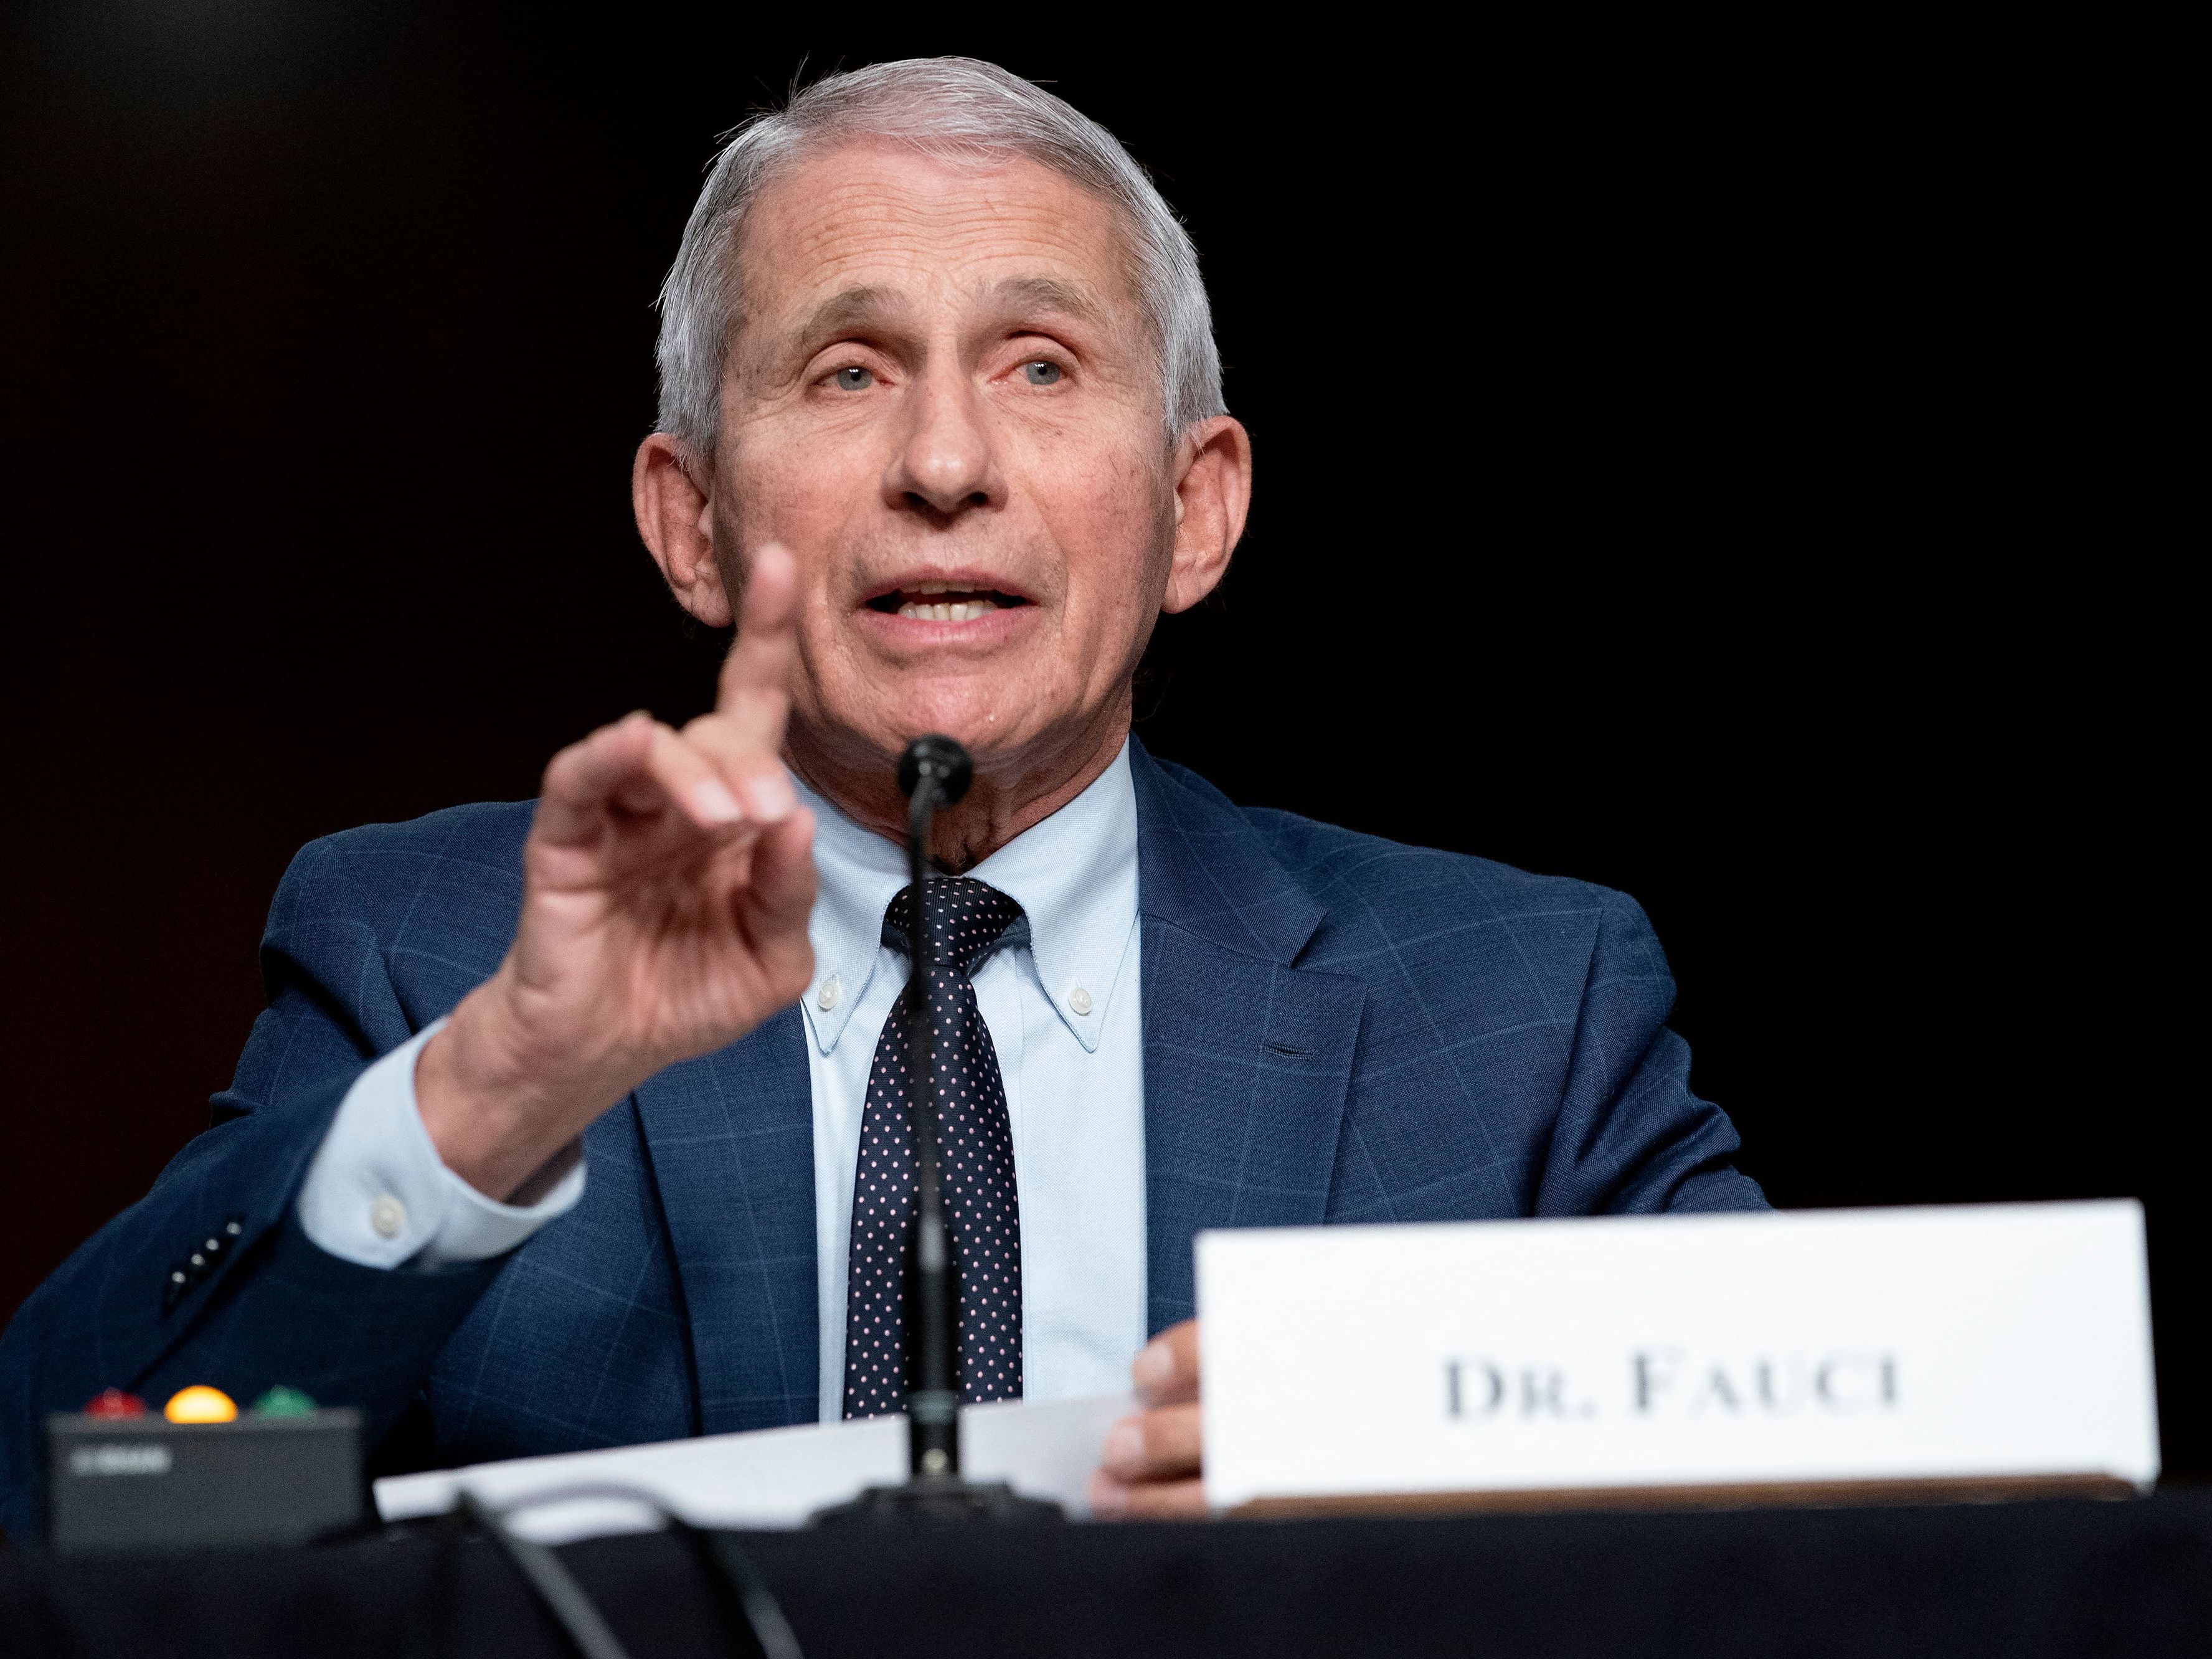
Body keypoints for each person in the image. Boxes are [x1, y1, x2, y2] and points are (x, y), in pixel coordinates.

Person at [0, 57, 1762, 1539]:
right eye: (848, 373)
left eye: (1041, 366)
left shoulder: (1525, 1011)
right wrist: (499, 1089)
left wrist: (1447, 1449)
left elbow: (1840, 1509)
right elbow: (92, 1505)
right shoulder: (426, 961)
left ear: (1198, 509)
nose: (941, 465)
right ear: (692, 520)